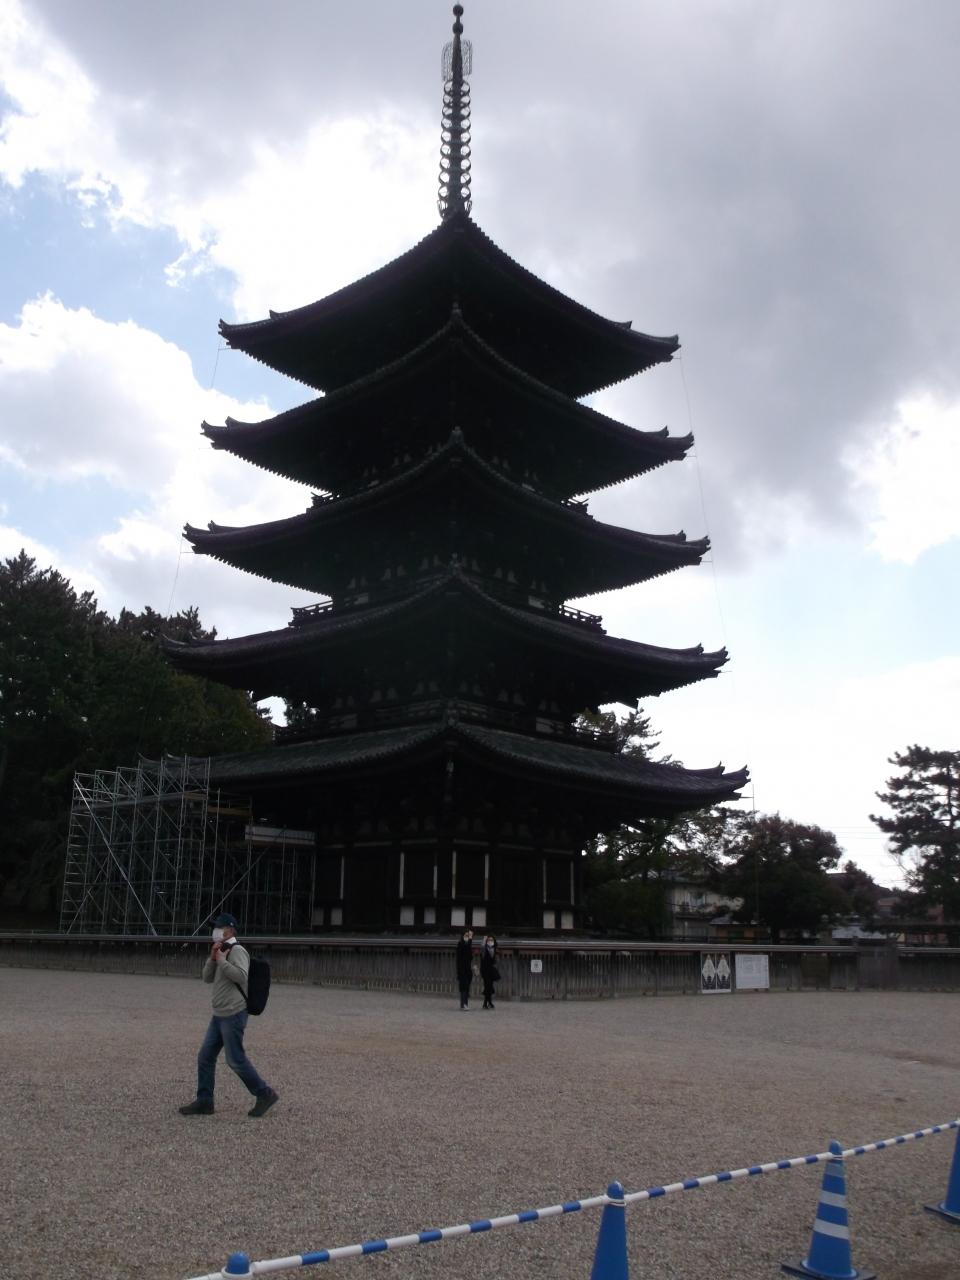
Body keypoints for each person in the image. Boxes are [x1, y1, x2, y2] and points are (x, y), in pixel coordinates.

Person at [178, 912, 279, 1118]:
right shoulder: (221, 950)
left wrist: (223, 961)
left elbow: (241, 976)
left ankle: (264, 1093)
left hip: (233, 1013)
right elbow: (206, 977)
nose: (215, 931)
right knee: (205, 1056)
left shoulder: (238, 950)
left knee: (235, 1059)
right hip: (219, 1013)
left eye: (219, 927)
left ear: (230, 930)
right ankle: (205, 1100)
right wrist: (213, 958)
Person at [455, 927, 475, 1010]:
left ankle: (464, 1004)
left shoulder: (468, 946)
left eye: (468, 935)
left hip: (468, 969)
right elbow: (459, 958)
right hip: (462, 969)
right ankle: (463, 1004)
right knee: (464, 987)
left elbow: (470, 957)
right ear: (462, 936)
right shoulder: (460, 944)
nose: (467, 937)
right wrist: (470, 940)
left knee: (466, 987)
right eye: (466, 935)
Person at [480, 935, 500, 1009]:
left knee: (490, 986)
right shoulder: (484, 949)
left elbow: (496, 960)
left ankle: (488, 1002)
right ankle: (486, 1003)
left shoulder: (495, 949)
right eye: (489, 940)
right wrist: (484, 939)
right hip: (485, 970)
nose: (490, 941)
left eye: (491, 940)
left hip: (491, 970)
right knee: (487, 985)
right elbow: (482, 946)